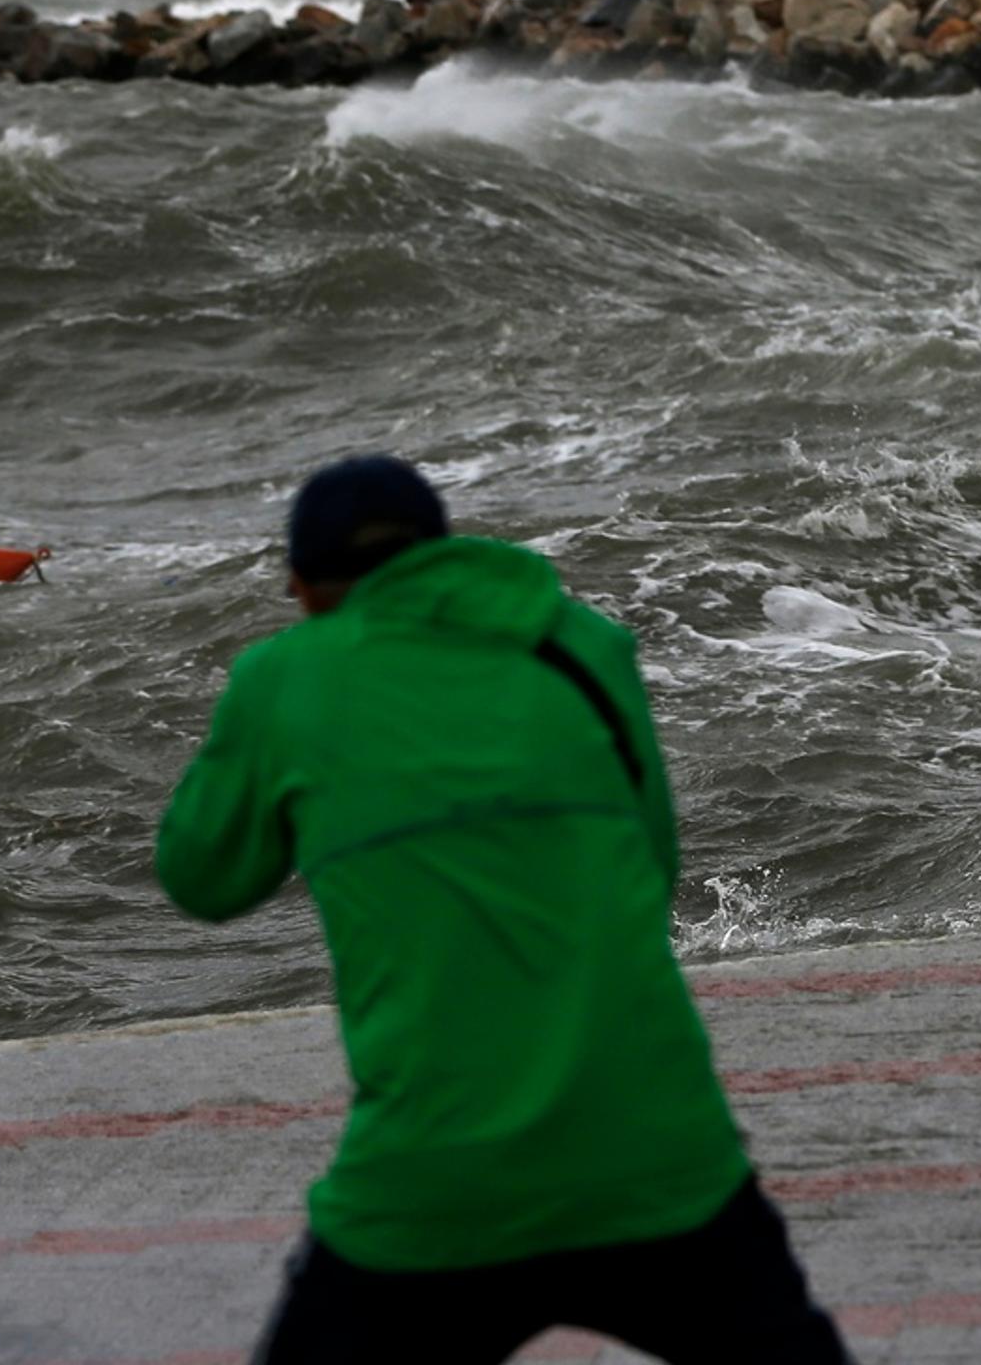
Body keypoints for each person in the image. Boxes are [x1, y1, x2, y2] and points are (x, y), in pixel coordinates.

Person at [157, 455, 849, 1363]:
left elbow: (202, 877)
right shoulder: (584, 648)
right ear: (440, 552)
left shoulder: (284, 677)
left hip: (436, 1187)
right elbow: (652, 865)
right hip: (657, 1162)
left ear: (307, 586)